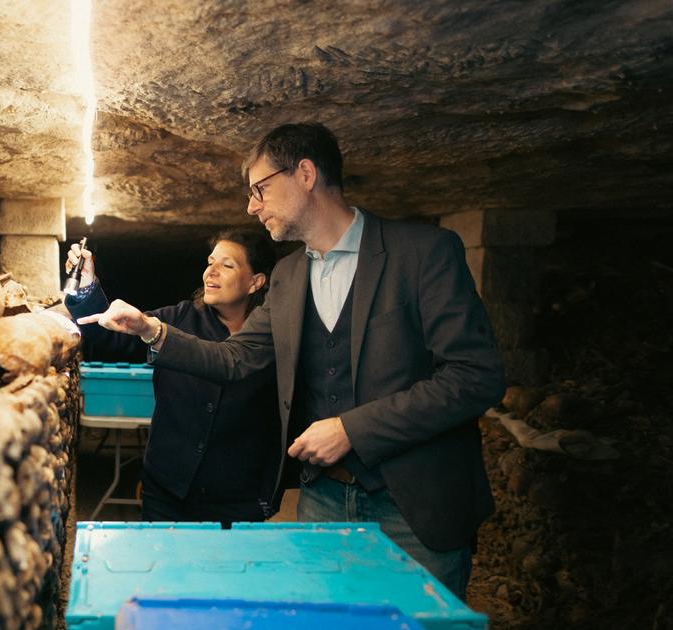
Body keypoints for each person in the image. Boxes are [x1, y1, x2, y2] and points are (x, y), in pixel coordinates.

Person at [79, 122, 505, 598]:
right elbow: (236, 359)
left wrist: (351, 429)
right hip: (323, 498)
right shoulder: (290, 274)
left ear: (305, 173)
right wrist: (150, 329)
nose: (251, 205)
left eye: (260, 188)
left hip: (414, 506)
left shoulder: (423, 253)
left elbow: (475, 377)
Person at [66, 230, 281, 526]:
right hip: (168, 492)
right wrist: (87, 285)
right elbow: (113, 334)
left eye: (227, 265)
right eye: (210, 262)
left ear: (256, 281)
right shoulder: (179, 319)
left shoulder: (274, 339)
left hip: (238, 498)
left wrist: (270, 492)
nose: (211, 272)